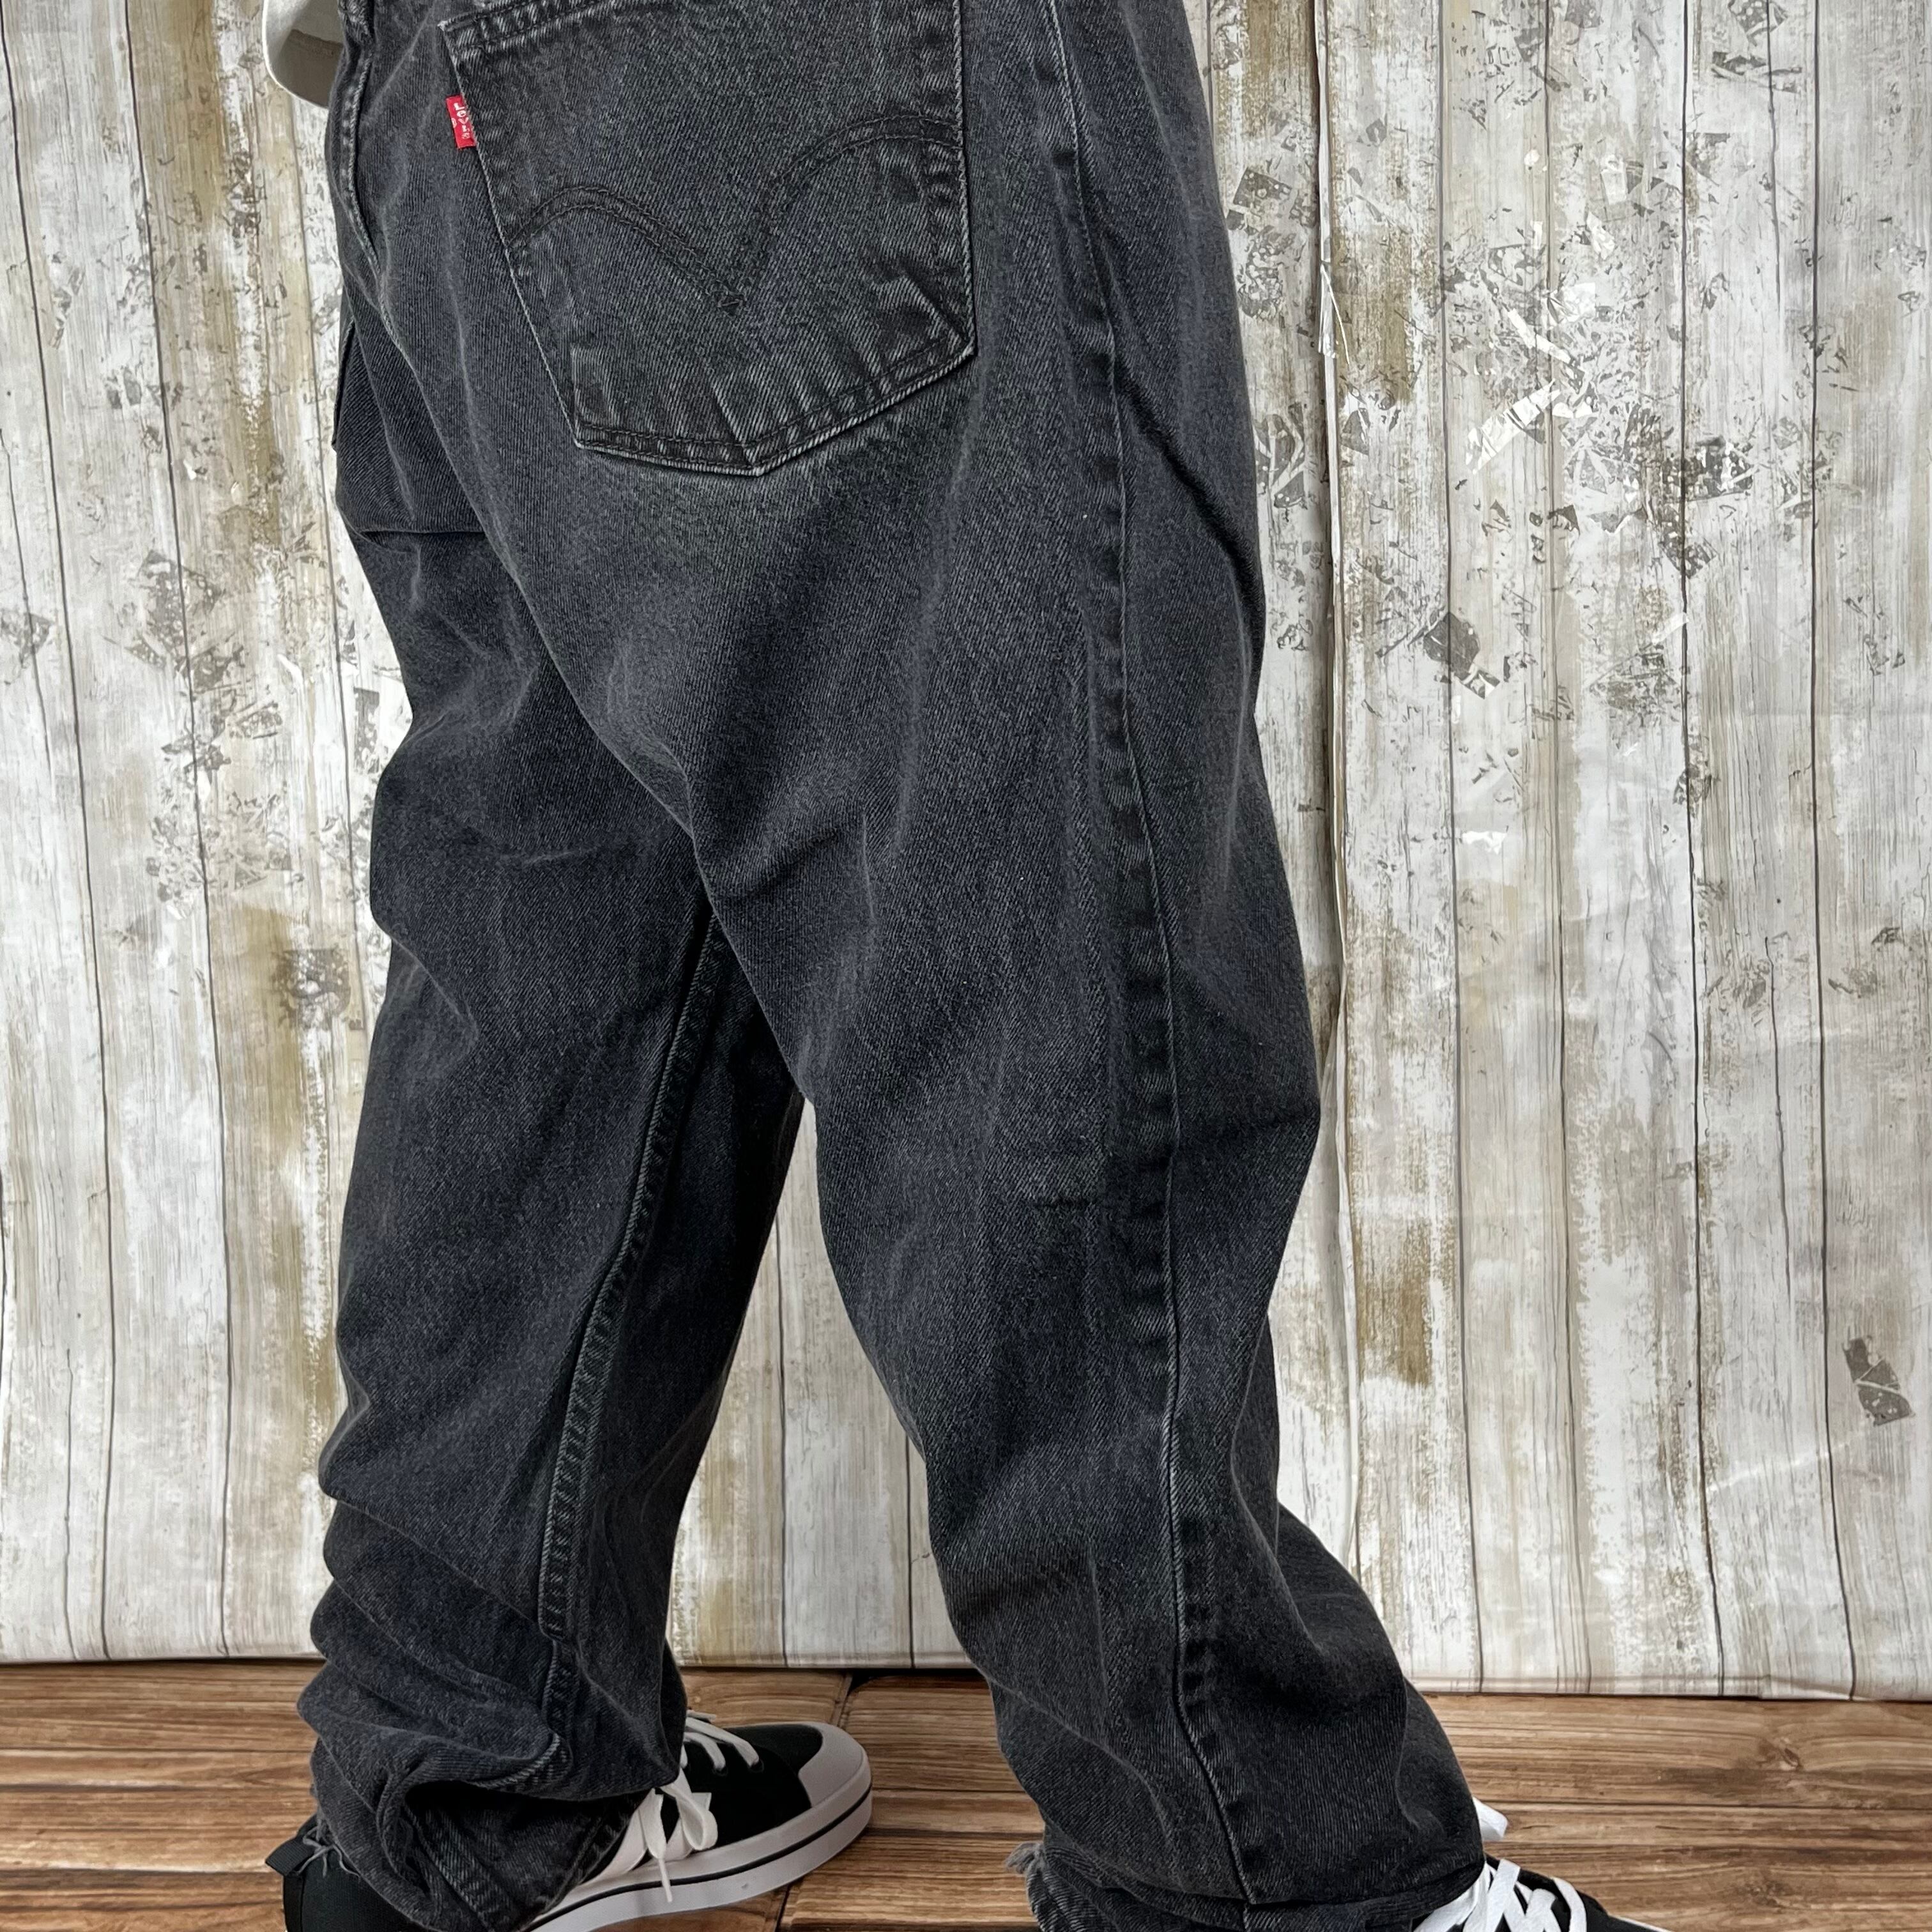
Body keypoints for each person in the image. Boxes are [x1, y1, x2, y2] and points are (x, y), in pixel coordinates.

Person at [257, 0, 1666, 1928]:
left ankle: (463, 1798)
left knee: (563, 952)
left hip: (431, 86)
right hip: (818, 56)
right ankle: (1258, 1882)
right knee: (1038, 904)